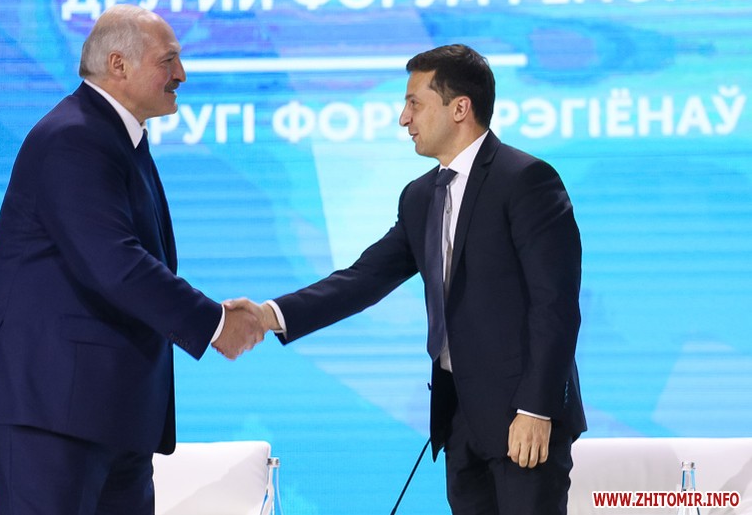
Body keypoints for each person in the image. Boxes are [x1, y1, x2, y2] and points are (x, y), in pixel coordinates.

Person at [236, 44, 586, 514]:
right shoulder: (420, 196)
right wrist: (269, 315)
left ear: (459, 108)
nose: (404, 119)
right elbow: (364, 278)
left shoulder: (525, 180)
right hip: (459, 420)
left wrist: (536, 409)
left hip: (523, 418)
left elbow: (555, 304)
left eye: (414, 103)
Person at [0, 4, 266, 515]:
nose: (182, 74)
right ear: (118, 64)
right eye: (168, 60)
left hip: (108, 410)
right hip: (50, 408)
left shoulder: (116, 138)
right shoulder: (73, 136)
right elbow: (116, 265)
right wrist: (215, 324)